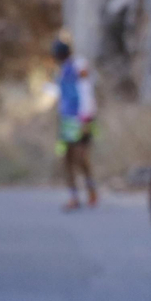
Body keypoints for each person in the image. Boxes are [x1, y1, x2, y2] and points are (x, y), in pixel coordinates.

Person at [51, 40, 98, 210]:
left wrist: (87, 117)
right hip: (66, 120)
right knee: (66, 157)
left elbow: (86, 89)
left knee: (81, 156)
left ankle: (91, 188)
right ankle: (73, 195)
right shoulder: (62, 71)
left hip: (81, 118)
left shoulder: (78, 65)